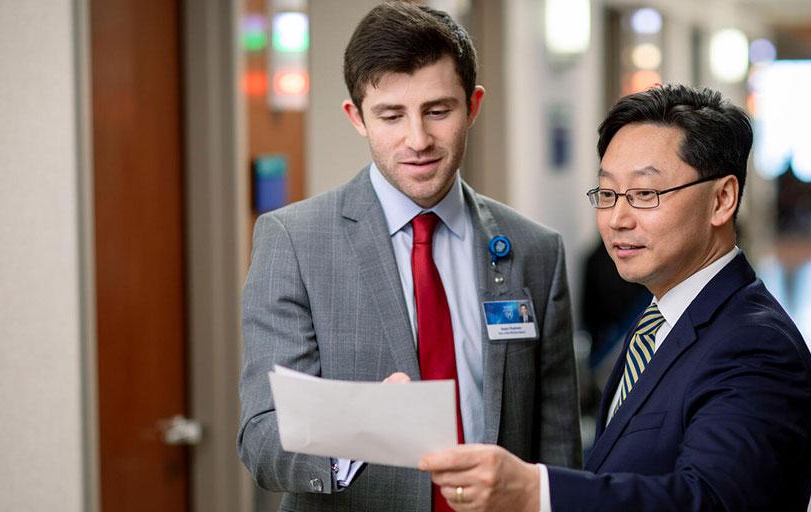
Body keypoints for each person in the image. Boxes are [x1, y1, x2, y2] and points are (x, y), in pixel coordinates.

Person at [237, 3, 581, 511]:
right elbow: (262, 439)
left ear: (474, 105)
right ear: (357, 117)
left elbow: (556, 445)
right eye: (391, 115)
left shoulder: (534, 250)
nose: (417, 140)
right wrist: (364, 426)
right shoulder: (295, 241)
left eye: (438, 111)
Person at [419, 84, 811, 511]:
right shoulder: (660, 316)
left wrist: (535, 492)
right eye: (608, 193)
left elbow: (711, 501)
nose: (617, 219)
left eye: (645, 194)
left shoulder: (755, 349)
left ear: (722, 200)